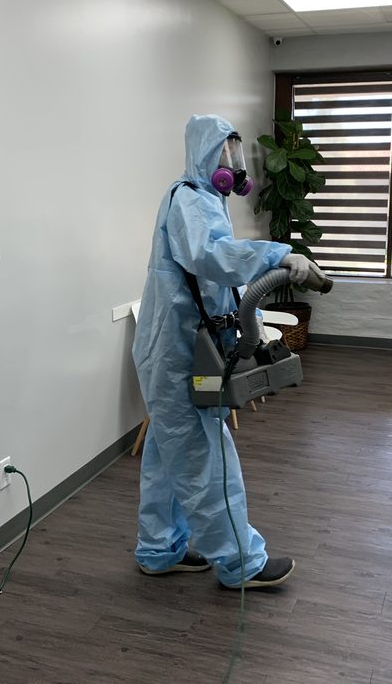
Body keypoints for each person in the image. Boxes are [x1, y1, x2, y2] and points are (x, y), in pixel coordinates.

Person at [132, 113, 323, 588]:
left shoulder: (205, 201)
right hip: (174, 353)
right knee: (204, 459)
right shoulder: (188, 199)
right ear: (202, 153)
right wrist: (278, 255)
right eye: (225, 152)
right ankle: (241, 562)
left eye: (237, 152)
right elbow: (211, 257)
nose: (234, 163)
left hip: (184, 347)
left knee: (167, 453)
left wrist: (246, 327)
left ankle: (158, 549)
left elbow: (217, 285)